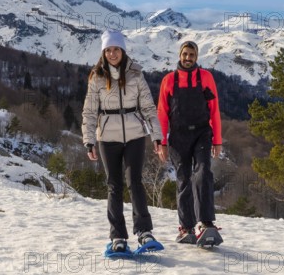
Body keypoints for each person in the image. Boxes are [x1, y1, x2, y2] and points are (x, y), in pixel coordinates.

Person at [82, 29, 166, 253]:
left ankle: (145, 233)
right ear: (103, 52)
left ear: (123, 50)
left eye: (115, 49)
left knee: (135, 182)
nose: (112, 54)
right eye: (108, 50)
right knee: (114, 186)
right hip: (108, 138)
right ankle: (118, 236)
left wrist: (157, 136)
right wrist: (89, 141)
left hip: (135, 136)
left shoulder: (136, 74)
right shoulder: (97, 77)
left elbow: (148, 107)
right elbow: (90, 112)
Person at [157, 40, 223, 245]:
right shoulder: (168, 81)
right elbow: (162, 114)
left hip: (202, 134)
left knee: (203, 172)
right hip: (178, 137)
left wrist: (217, 140)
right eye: (185, 54)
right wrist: (162, 143)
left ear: (197, 57)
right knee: (184, 179)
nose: (188, 58)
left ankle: (206, 223)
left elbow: (214, 109)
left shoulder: (206, 78)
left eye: (191, 55)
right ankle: (186, 228)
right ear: (180, 55)